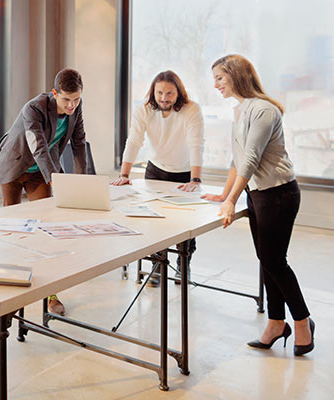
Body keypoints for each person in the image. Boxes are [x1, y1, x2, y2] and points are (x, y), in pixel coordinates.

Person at [201, 54, 314, 356]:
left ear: (237, 76)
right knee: (268, 259)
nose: (215, 85)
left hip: (278, 194)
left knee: (275, 261)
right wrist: (225, 197)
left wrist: (232, 202)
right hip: (259, 194)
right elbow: (237, 160)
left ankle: (302, 321)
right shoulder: (241, 111)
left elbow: (250, 159)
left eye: (220, 78)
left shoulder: (263, 110)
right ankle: (277, 323)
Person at [0, 68, 87, 315]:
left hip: (39, 173)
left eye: (76, 99)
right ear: (55, 93)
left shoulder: (76, 108)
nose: (71, 105)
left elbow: (79, 144)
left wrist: (82, 181)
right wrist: (56, 179)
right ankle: (10, 293)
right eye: (66, 99)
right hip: (14, 165)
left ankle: (50, 295)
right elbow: (39, 147)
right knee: (13, 231)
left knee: (44, 231)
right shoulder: (33, 108)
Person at [112, 70, 204, 286]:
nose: (164, 98)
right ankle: (157, 265)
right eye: (160, 92)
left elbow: (196, 143)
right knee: (155, 220)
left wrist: (196, 179)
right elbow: (134, 140)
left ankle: (184, 265)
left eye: (170, 93)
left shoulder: (191, 109)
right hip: (155, 170)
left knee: (185, 223)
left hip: (184, 174)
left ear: (178, 92)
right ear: (153, 92)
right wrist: (124, 174)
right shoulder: (144, 109)